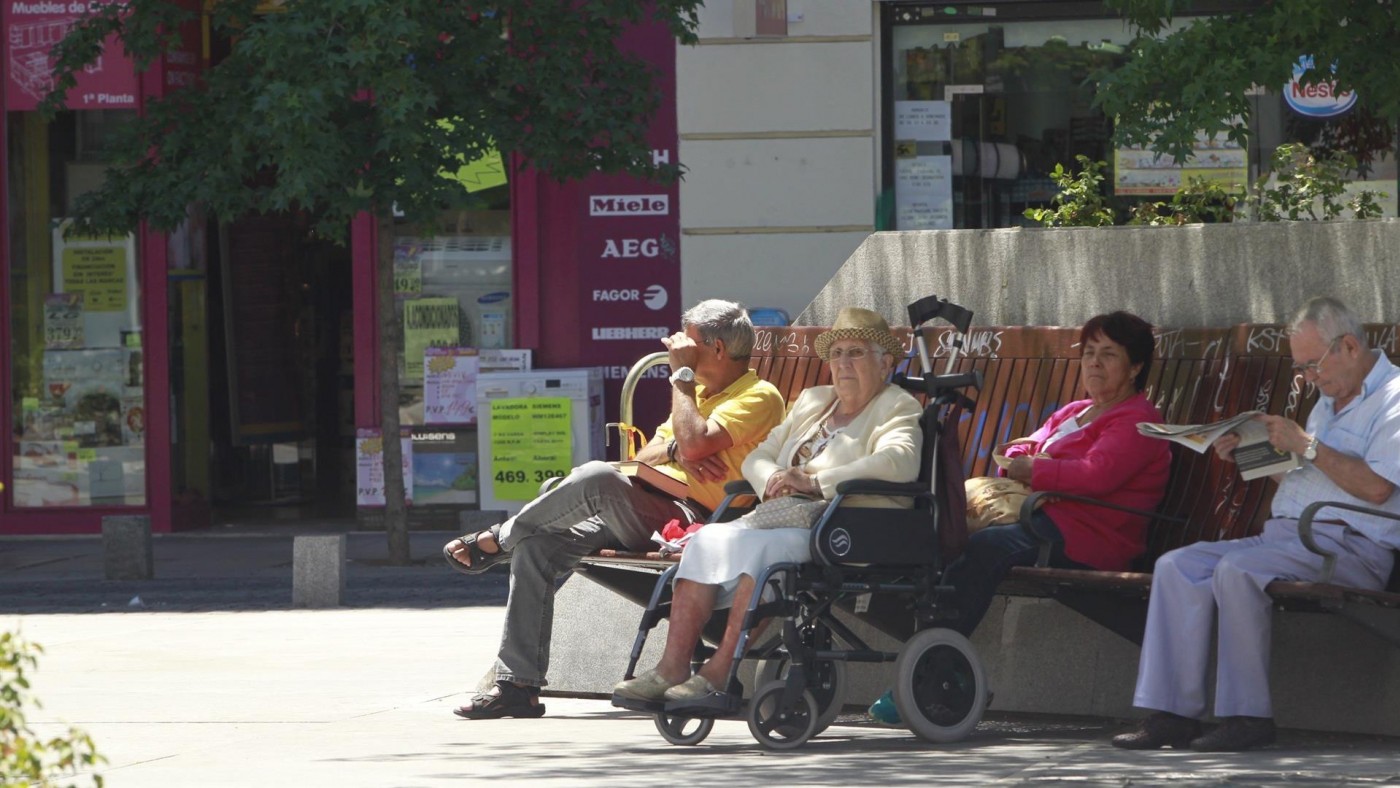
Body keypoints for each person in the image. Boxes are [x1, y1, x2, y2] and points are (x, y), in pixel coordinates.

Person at [445, 299, 785, 720]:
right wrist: (682, 446)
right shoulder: (697, 394)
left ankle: (500, 540)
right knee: (538, 547)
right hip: (648, 504)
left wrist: (681, 390)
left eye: (687, 342)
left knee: (598, 477)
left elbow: (694, 444)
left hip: (698, 519)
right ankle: (518, 685)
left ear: (717, 348)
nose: (674, 346)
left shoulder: (758, 395)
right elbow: (651, 451)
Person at [1113, 296, 1400, 752]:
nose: (1308, 378)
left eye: (1311, 365)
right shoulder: (1331, 398)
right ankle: (1172, 714)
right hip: (1288, 538)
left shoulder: (1393, 400)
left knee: (1239, 570)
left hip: (1350, 547)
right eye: (1301, 369)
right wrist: (1247, 453)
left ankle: (1247, 717)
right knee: (1177, 565)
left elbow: (1378, 490)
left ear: (1347, 346)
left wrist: (1306, 446)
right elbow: (1311, 477)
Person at [869, 310, 1172, 724]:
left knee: (985, 548)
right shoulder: (1075, 411)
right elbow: (1021, 447)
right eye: (1088, 353)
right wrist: (1023, 460)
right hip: (1044, 519)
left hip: (1091, 534)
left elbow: (1096, 475)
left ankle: (926, 672)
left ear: (1136, 367)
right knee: (939, 530)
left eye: (1109, 355)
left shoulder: (1138, 419)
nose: (1094, 363)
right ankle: (939, 664)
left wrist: (1037, 469)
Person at [614, 307, 923, 706]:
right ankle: (671, 667)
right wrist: (774, 481)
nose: (844, 363)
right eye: (838, 353)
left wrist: (814, 482)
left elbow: (900, 461)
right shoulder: (815, 401)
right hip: (783, 514)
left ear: (885, 363)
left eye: (857, 353)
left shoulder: (897, 406)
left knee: (762, 554)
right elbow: (758, 458)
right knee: (707, 540)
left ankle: (719, 671)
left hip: (846, 525)